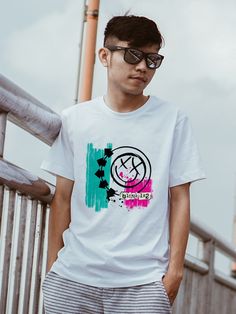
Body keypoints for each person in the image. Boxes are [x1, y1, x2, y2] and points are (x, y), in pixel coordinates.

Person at [41, 15, 206, 314]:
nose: (142, 67)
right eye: (133, 55)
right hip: (73, 279)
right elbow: (62, 197)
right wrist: (53, 266)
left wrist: (174, 273)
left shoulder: (172, 120)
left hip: (142, 283)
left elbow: (180, 198)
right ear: (105, 55)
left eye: (152, 59)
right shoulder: (75, 120)